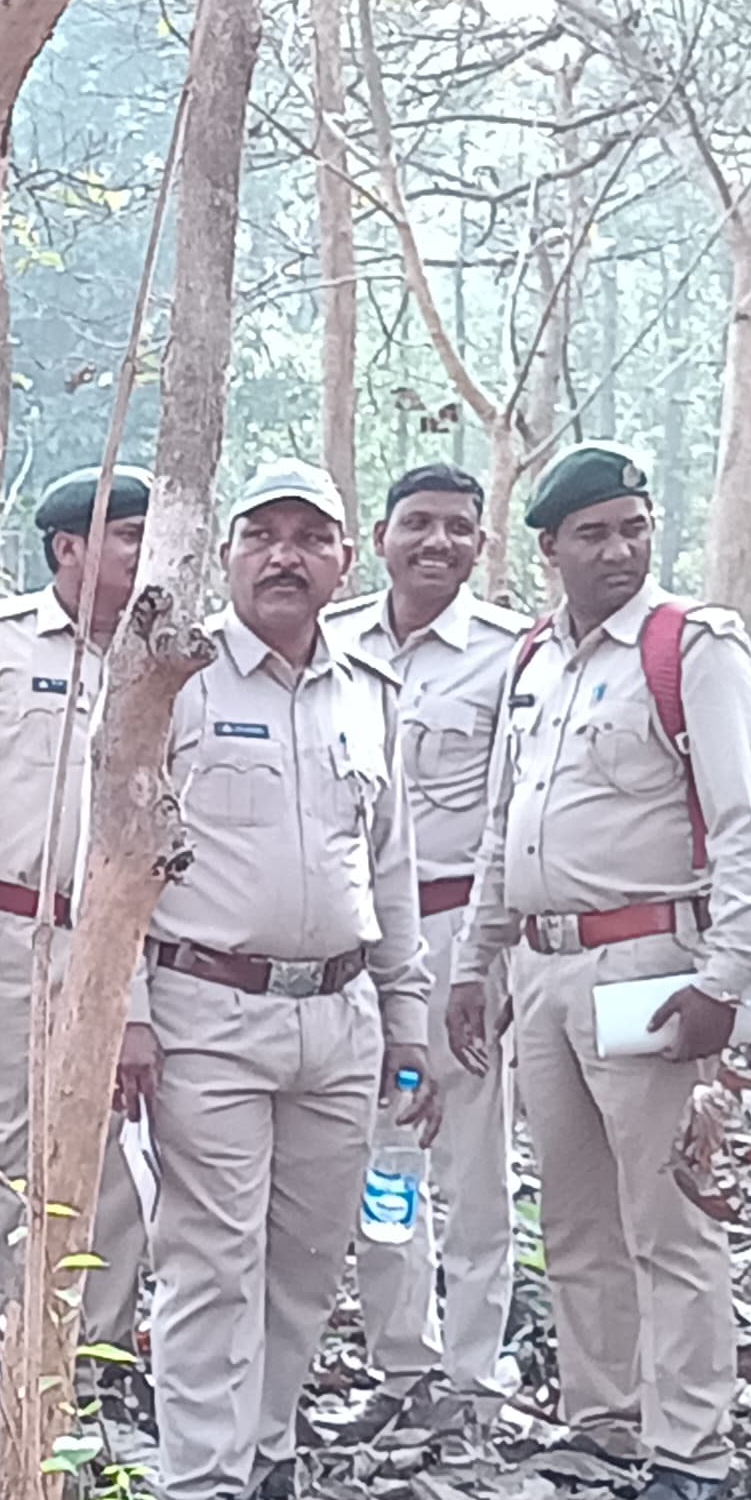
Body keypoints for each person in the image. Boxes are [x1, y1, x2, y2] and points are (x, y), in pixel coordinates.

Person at [447, 443, 751, 1500]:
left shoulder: (692, 649)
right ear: (548, 549)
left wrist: (726, 977)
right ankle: (604, 1423)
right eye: (592, 534)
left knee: (667, 1214)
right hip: (542, 970)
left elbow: (742, 830)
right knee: (577, 1218)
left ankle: (692, 1447)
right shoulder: (536, 660)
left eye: (633, 527)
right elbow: (502, 829)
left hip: (649, 964)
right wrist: (474, 964)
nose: (619, 550)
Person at [133, 466, 433, 1500]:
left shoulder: (370, 690)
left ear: (343, 564)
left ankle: (263, 1460)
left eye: (312, 538)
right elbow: (111, 856)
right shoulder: (177, 682)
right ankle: (197, 1492)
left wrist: (406, 1019)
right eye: (263, 534)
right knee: (210, 1250)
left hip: (341, 1015)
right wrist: (126, 1015)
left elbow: (388, 867)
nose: (285, 557)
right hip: (207, 1005)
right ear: (227, 553)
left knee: (306, 1256)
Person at [0, 468, 154, 1404]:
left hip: (135, 942)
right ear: (70, 548)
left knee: (119, 1157)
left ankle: (83, 1369)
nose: (150, 559)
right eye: (131, 537)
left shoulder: (170, 653)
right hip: (16, 935)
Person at [322, 464, 527, 1413]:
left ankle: (475, 1373)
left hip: (461, 935)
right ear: (381, 536)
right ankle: (405, 1362)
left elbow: (509, 818)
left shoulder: (509, 653)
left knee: (474, 1165)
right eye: (418, 524)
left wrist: (485, 958)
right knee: (386, 1160)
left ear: (480, 545)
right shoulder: (328, 644)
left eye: (456, 527)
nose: (435, 543)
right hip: (355, 949)